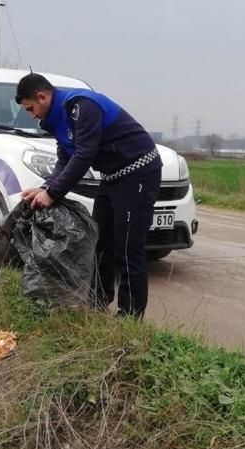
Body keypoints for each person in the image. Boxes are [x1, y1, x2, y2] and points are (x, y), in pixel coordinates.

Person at [16, 73, 161, 318]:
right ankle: (97, 304)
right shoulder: (57, 118)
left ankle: (130, 318)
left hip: (138, 174)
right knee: (100, 242)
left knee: (127, 248)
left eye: (31, 108)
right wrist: (45, 187)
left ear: (42, 97)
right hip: (113, 176)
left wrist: (53, 193)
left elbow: (84, 154)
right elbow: (65, 158)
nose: (32, 115)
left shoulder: (82, 106)